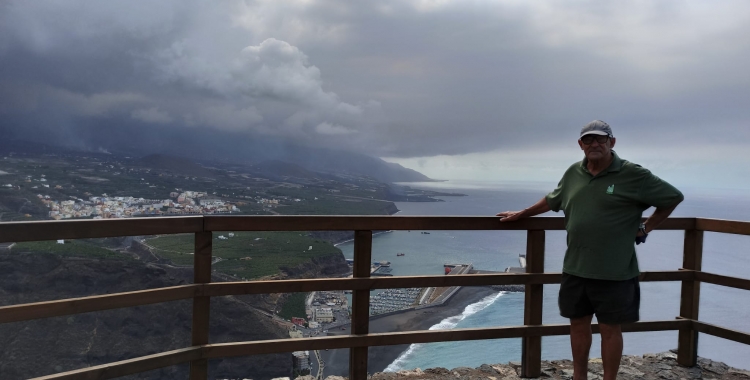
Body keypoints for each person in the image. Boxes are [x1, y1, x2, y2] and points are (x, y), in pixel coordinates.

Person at [496, 120, 684, 380]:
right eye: (588, 140)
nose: (594, 144)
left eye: (601, 139)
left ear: (612, 142)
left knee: (610, 329)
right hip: (576, 266)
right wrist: (523, 213)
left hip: (615, 270)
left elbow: (672, 197)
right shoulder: (574, 172)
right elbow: (554, 199)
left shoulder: (634, 175)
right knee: (578, 325)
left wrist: (646, 228)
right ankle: (579, 376)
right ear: (580, 145)